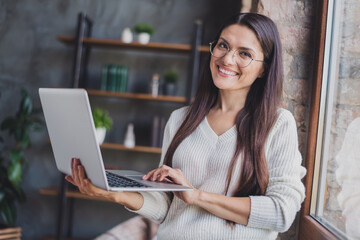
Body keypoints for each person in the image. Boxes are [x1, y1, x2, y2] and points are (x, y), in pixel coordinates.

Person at [66, 12, 306, 240]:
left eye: (244, 53)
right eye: (223, 45)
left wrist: (197, 195)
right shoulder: (181, 119)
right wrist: (111, 193)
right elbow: (166, 206)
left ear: (264, 68)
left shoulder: (277, 124)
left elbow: (281, 212)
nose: (227, 59)